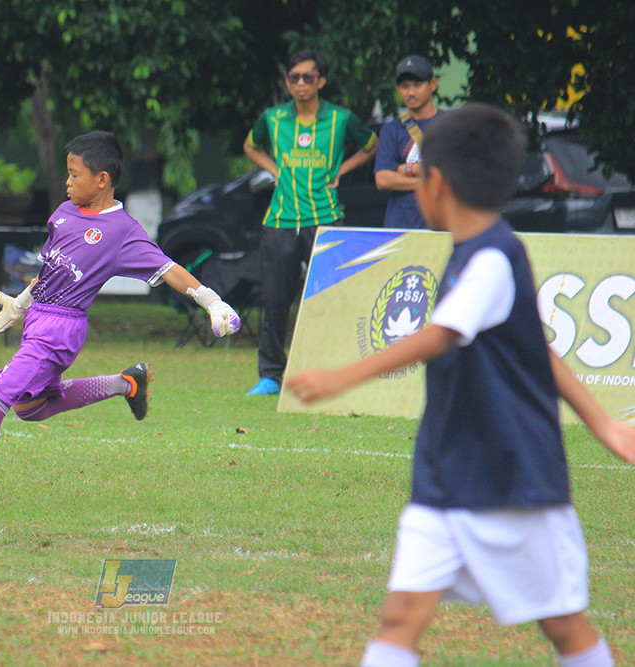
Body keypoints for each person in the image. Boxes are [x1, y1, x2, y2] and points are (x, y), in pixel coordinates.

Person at [287, 103, 635, 667]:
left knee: (564, 626)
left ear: (436, 184)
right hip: (447, 476)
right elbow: (536, 349)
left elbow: (445, 334)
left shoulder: (496, 256)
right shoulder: (469, 253)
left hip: (514, 480)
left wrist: (340, 376)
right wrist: (604, 424)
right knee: (400, 618)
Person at [0, 131, 241, 516]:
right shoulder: (63, 214)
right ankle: (127, 382)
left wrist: (213, 302)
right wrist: (18, 307)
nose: (67, 182)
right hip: (37, 321)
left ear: (101, 180)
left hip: (59, 331)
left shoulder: (122, 232)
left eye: (74, 174)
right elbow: (50, 272)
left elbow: (170, 269)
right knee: (31, 408)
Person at [243, 49, 378, 396]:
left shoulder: (341, 118)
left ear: (321, 81)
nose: (301, 84)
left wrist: (340, 172)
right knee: (275, 299)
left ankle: (339, 368)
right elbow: (250, 146)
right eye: (294, 78)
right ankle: (271, 375)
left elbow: (371, 144)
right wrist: (273, 169)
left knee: (333, 296)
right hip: (280, 219)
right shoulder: (273, 118)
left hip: (326, 217)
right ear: (286, 82)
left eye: (307, 77)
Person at [374, 55, 443, 229]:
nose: (411, 92)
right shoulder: (391, 130)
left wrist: (406, 169)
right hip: (400, 227)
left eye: (417, 85)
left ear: (432, 84)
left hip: (442, 224)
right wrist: (425, 181)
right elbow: (382, 179)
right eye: (405, 87)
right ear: (398, 89)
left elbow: (455, 172)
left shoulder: (451, 124)